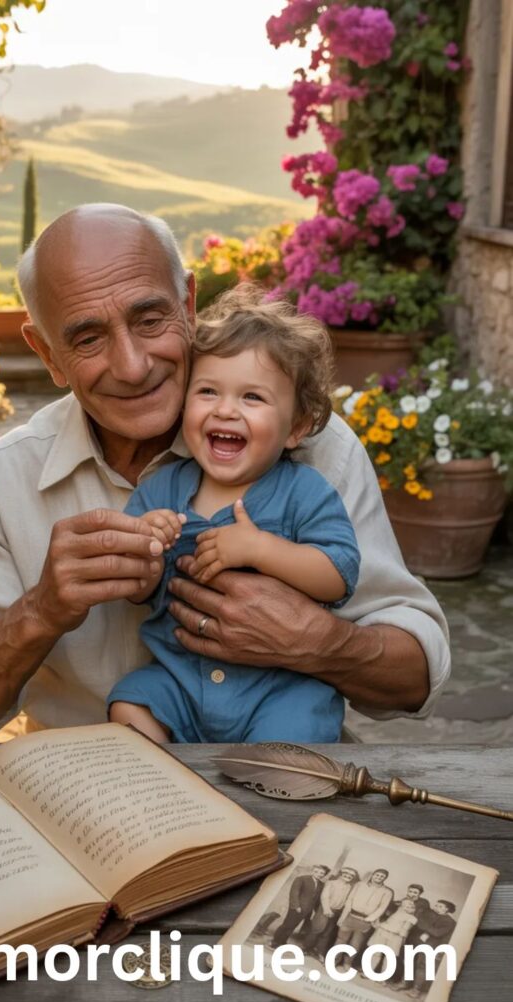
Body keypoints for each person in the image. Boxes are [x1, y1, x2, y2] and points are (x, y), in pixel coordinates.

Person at [0, 203, 450, 742]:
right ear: (47, 354)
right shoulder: (4, 479)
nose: (133, 366)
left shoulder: (315, 448)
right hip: (88, 791)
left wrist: (319, 643)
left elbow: (414, 677)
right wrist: (41, 611)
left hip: (277, 771)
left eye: (149, 319)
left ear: (187, 302)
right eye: (88, 338)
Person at [106, 287, 360, 743]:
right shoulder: (161, 489)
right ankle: (163, 789)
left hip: (280, 686)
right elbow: (136, 592)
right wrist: (146, 547)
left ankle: (264, 798)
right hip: (180, 680)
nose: (226, 409)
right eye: (207, 392)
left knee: (294, 732)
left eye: (252, 398)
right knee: (130, 705)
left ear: (297, 427)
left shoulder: (304, 491)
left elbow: (339, 573)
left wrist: (262, 549)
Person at [335, 868, 394, 966]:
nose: (379, 877)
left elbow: (382, 908)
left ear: (385, 879)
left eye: (382, 876)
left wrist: (369, 919)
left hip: (365, 921)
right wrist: (343, 916)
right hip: (350, 917)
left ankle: (347, 963)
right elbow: (350, 899)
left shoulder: (387, 892)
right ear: (373, 875)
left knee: (355, 945)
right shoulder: (359, 885)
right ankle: (334, 960)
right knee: (340, 940)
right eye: (377, 875)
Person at [306, 866, 359, 960]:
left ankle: (319, 951)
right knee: (317, 929)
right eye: (346, 874)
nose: (348, 876)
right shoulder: (331, 883)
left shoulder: (349, 887)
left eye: (351, 875)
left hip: (337, 912)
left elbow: (347, 901)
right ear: (341, 874)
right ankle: (306, 948)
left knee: (327, 932)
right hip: (325, 909)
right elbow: (324, 897)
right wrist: (327, 909)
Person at [271, 865, 329, 947]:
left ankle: (283, 941)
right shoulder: (302, 879)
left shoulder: (321, 884)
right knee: (287, 924)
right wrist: (296, 906)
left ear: (324, 874)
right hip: (296, 907)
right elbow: (294, 893)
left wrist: (315, 911)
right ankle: (275, 941)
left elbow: (317, 899)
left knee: (294, 925)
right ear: (312, 871)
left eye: (322, 873)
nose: (319, 874)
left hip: (307, 910)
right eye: (316, 871)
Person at [368, 897, 418, 973]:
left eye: (411, 906)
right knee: (376, 952)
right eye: (405, 905)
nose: (408, 907)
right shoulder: (394, 912)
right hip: (383, 932)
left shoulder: (412, 918)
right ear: (401, 905)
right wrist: (380, 926)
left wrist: (384, 926)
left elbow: (403, 930)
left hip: (396, 937)